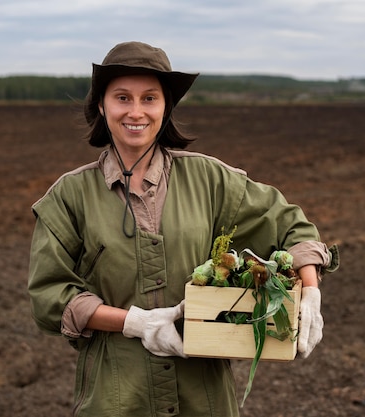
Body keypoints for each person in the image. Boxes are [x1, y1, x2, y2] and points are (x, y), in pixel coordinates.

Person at [27, 41, 339, 416]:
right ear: (101, 105)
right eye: (122, 98)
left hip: (203, 397)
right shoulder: (69, 196)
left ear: (166, 107)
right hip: (115, 397)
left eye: (149, 98)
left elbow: (290, 224)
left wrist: (310, 292)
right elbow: (50, 295)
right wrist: (134, 323)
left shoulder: (209, 179)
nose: (136, 111)